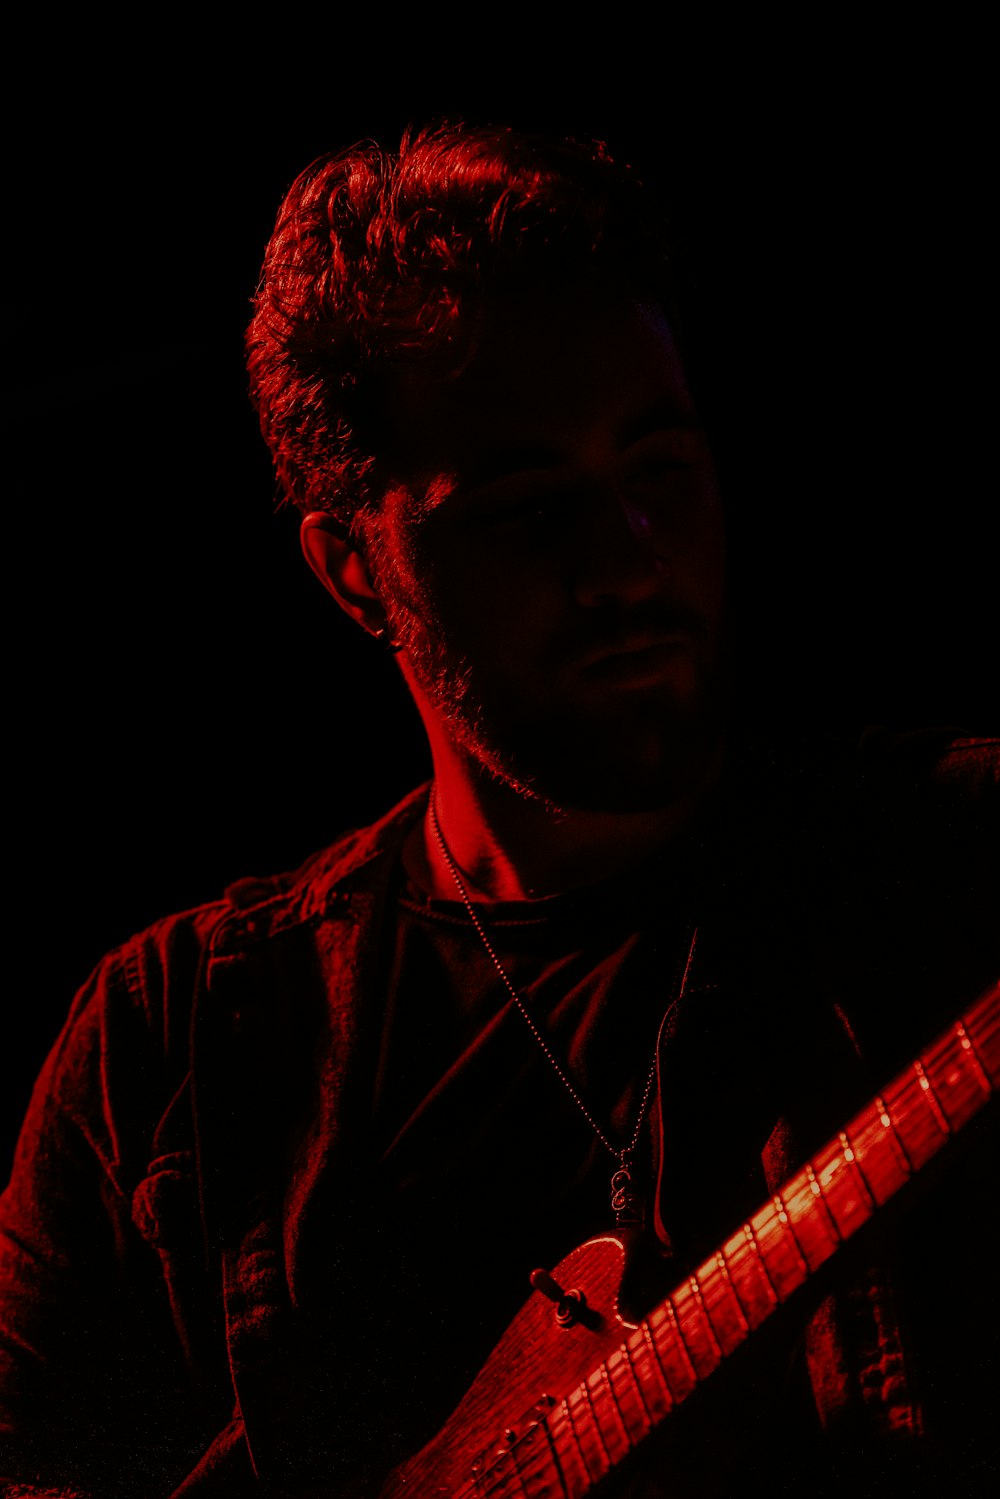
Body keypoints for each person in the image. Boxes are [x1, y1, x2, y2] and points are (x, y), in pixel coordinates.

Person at [1, 120, 996, 1499]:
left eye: (659, 470)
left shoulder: (956, 863)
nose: (627, 563)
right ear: (355, 569)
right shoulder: (167, 1050)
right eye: (529, 510)